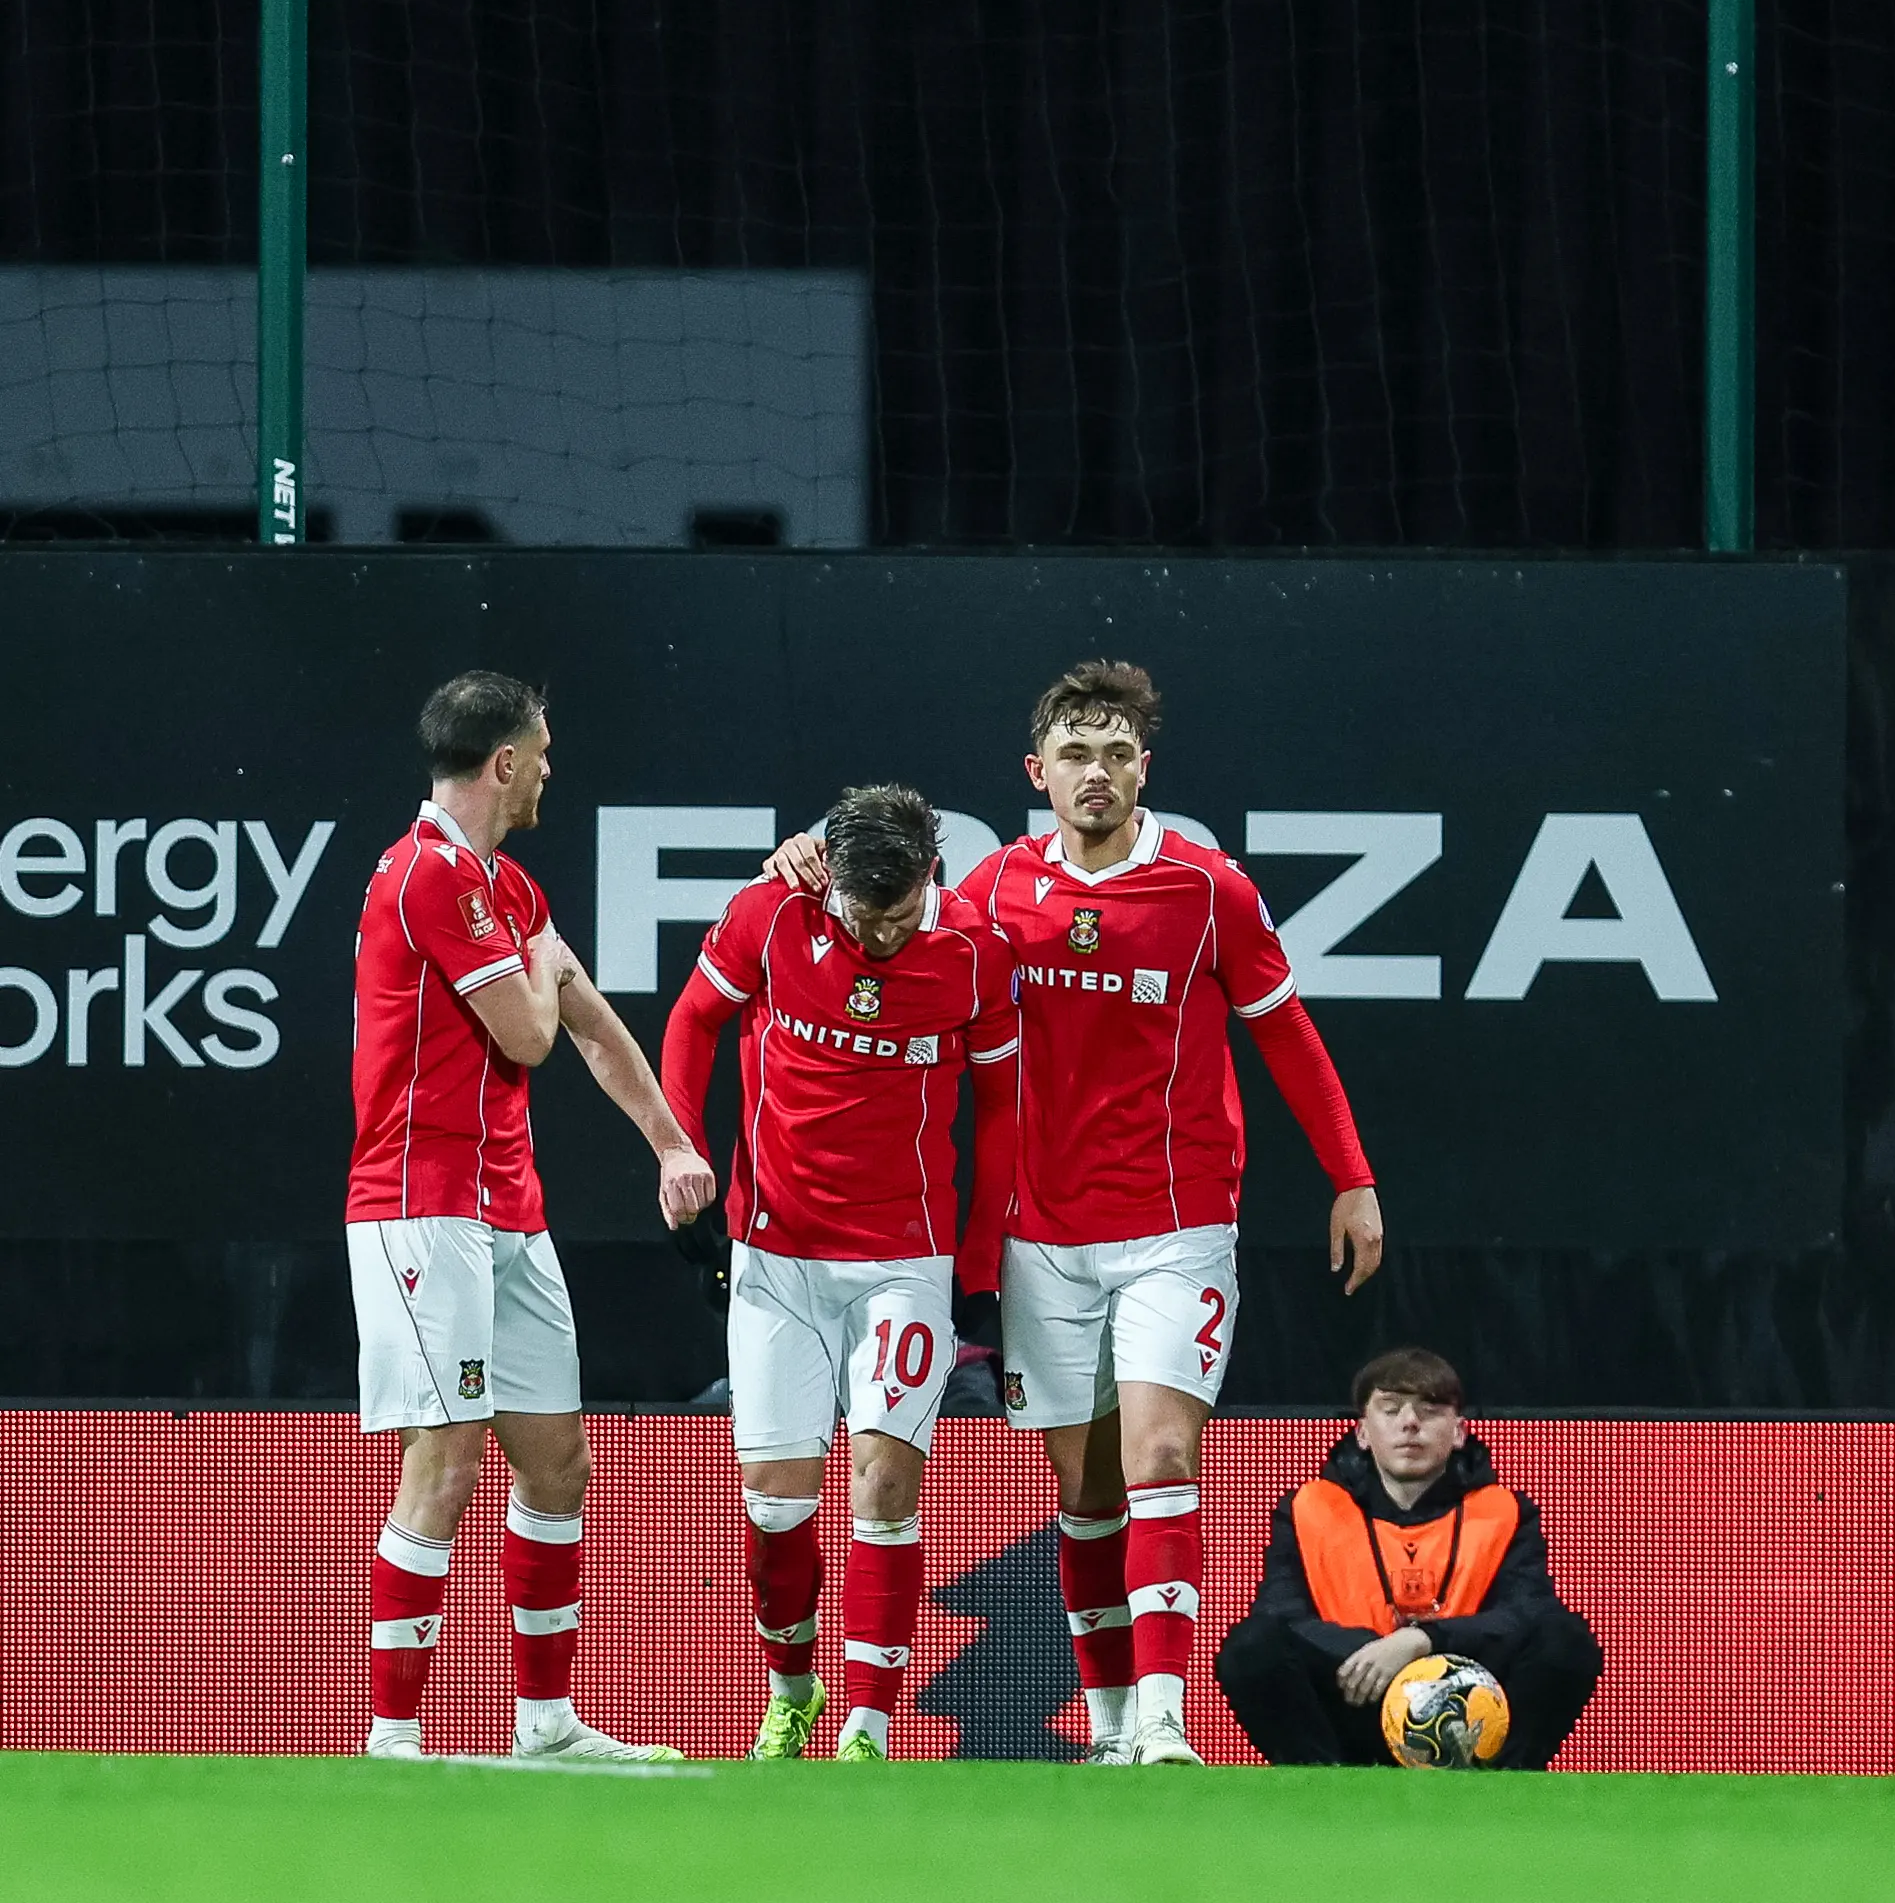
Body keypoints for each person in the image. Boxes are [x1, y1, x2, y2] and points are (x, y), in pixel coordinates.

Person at [767, 659, 1383, 1763]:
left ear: (1143, 769)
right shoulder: (996, 890)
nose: (1094, 773)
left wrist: (1352, 1175)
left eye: (1114, 754)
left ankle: (1160, 1720)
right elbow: (881, 914)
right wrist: (800, 866)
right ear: (1035, 772)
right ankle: (1106, 1726)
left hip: (1175, 1222)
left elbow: (1285, 1033)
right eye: (1073, 754)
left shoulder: (1206, 890)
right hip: (1040, 1238)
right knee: (1085, 1489)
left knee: (1158, 1458)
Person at [348, 671, 716, 1761]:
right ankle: (392, 1736)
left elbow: (593, 1023)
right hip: (421, 1209)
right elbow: (530, 1035)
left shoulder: (508, 888)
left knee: (558, 1464)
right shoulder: (431, 877)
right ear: (502, 763)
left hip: (508, 1208)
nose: (552, 768)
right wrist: (543, 976)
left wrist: (671, 1146)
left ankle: (546, 1727)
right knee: (446, 1461)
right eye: (542, 752)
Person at [661, 783, 1019, 1760]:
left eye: (900, 917)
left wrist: (977, 1268)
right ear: (833, 886)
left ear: (930, 879)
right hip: (775, 1259)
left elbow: (999, 1110)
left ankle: (866, 1725)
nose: (883, 940)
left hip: (903, 1262)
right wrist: (678, 1151)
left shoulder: (975, 951)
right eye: (865, 919)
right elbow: (694, 1022)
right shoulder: (772, 910)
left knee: (885, 1485)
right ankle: (793, 1690)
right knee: (777, 1507)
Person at [1215, 1347, 1601, 1768]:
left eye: (1430, 1410)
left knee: (1565, 1640)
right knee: (1251, 1647)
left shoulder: (1503, 1510)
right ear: (1362, 1432)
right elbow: (1280, 1613)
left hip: (1469, 1709)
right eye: (1391, 1409)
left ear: (1459, 1431)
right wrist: (1374, 1653)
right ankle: (1320, 1785)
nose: (1410, 1423)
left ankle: (1503, 1786)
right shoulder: (1309, 1507)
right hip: (1355, 1689)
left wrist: (1422, 1641)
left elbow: (1526, 1611)